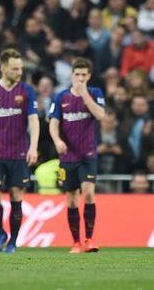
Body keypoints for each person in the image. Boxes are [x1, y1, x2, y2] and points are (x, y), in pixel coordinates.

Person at [0, 48, 39, 254]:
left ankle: (13, 241)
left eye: (21, 68)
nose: (19, 72)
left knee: (16, 196)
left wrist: (33, 147)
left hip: (19, 152)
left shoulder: (26, 91)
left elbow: (33, 120)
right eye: (15, 68)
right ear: (3, 68)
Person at [49, 57, 105, 254]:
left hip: (88, 154)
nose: (80, 78)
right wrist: (57, 141)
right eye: (77, 74)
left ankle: (89, 239)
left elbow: (100, 115)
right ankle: (76, 242)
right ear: (72, 75)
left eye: (84, 74)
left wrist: (85, 96)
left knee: (89, 194)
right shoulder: (61, 97)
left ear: (89, 76)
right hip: (68, 157)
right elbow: (53, 122)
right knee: (72, 199)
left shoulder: (95, 93)